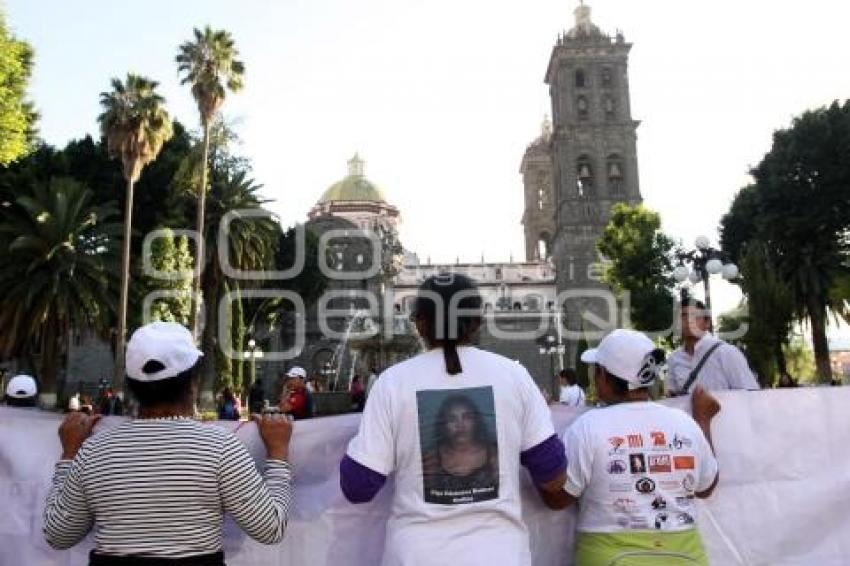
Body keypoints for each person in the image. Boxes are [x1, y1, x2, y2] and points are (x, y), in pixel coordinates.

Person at [340, 273, 567, 565]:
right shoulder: (514, 376)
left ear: (419, 323)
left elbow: (358, 486)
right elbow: (553, 477)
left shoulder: (392, 383)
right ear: (478, 322)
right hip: (500, 555)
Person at [43, 321, 294, 565]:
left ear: (131, 385)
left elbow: (58, 535)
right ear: (193, 381)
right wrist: (278, 450)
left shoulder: (94, 451)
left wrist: (69, 454)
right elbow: (270, 528)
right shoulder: (220, 448)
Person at [543, 329, 721, 566]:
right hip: (685, 556)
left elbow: (558, 498)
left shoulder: (587, 427)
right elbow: (706, 487)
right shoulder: (685, 424)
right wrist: (704, 421)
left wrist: (540, 427)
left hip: (609, 557)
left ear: (603, 376)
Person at [667, 297, 759, 395]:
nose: (689, 321)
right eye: (683, 316)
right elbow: (673, 395)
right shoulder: (674, 358)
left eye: (695, 317)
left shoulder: (726, 352)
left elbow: (751, 393)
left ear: (707, 323)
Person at [421, 394, 499, 495]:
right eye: (452, 419)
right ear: (443, 425)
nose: (460, 425)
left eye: (466, 417)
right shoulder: (431, 459)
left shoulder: (493, 454)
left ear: (476, 421)